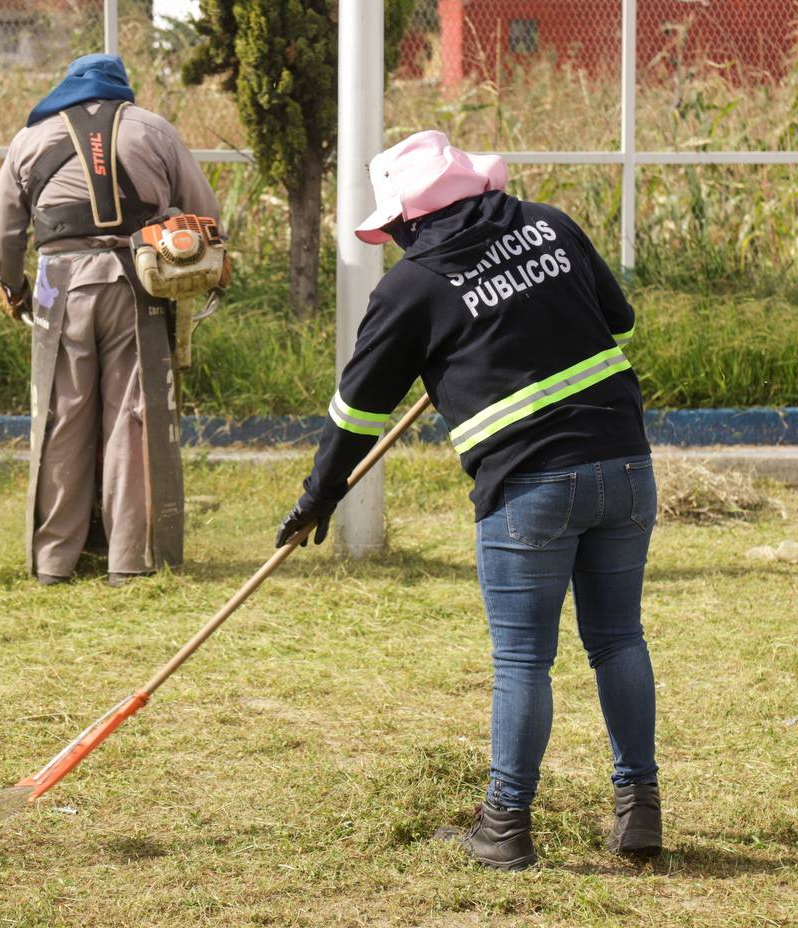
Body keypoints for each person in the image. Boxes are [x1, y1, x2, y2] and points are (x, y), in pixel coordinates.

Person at [275, 131, 661, 870]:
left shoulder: (412, 286)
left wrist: (319, 495)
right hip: (624, 465)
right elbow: (620, 322)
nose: (397, 240)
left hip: (530, 484)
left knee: (522, 659)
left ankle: (506, 827)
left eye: (397, 227)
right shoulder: (550, 223)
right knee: (618, 639)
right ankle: (639, 808)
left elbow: (356, 414)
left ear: (413, 219)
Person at [0, 54, 223, 587]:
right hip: (138, 285)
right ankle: (129, 560)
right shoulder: (153, 129)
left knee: (61, 415)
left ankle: (54, 562)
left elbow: (1, 231)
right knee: (132, 419)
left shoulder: (31, 138)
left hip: (57, 289)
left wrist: (13, 286)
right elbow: (204, 214)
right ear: (120, 88)